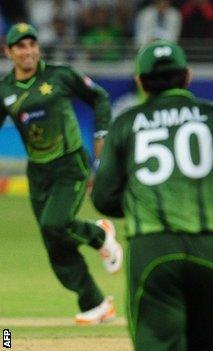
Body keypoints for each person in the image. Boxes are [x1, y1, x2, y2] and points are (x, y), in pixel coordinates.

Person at [91, 39, 213, 351]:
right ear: (187, 76)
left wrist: (141, 203)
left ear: (140, 81)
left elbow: (103, 197)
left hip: (153, 247)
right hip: (210, 246)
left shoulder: (126, 124)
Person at [0, 23, 121, 324]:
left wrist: (101, 135)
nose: (28, 51)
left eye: (32, 45)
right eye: (20, 47)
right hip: (38, 171)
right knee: (54, 241)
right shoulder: (5, 90)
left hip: (70, 163)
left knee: (55, 222)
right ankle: (95, 303)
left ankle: (100, 235)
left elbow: (100, 97)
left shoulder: (59, 75)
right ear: (9, 52)